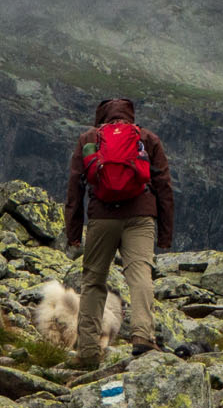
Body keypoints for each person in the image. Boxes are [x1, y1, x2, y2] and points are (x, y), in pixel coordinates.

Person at [64, 97, 173, 367]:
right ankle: (143, 337)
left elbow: (75, 187)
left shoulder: (89, 139)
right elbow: (164, 186)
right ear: (130, 116)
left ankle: (88, 350)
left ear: (101, 117)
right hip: (140, 216)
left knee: (93, 281)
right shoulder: (147, 139)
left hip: (103, 217)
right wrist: (166, 233)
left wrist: (74, 231)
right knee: (139, 276)